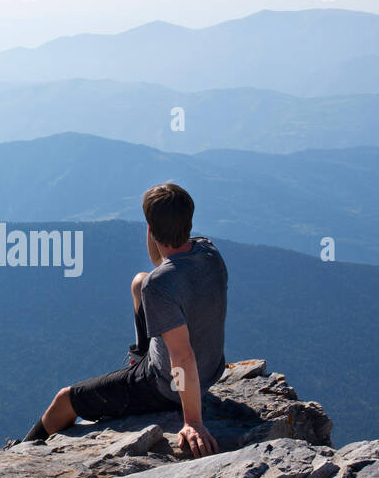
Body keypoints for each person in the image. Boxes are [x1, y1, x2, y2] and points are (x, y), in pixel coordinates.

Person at [21, 182, 228, 457]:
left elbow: (182, 356)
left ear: (151, 230)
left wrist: (193, 422)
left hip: (165, 384)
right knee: (139, 282)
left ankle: (22, 450)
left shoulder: (161, 286)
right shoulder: (208, 251)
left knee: (64, 400)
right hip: (210, 370)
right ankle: (140, 357)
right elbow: (163, 265)